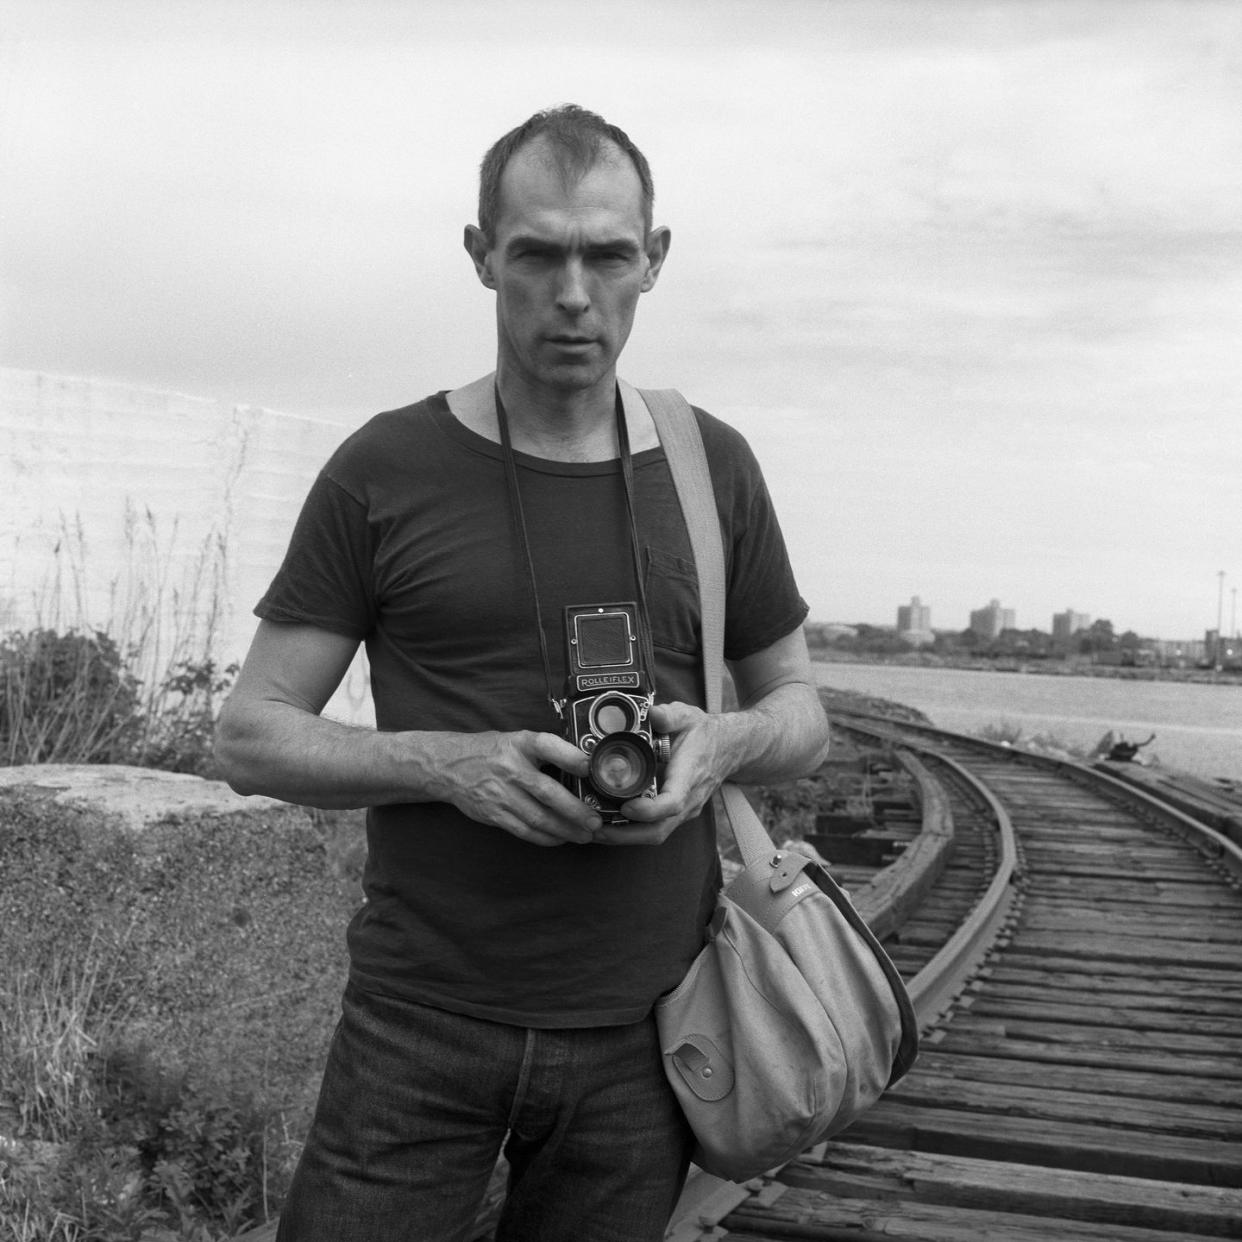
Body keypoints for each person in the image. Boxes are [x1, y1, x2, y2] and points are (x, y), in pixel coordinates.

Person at [215, 104, 831, 1242]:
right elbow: (249, 734)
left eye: (607, 255)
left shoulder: (710, 467)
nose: (574, 293)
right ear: (480, 255)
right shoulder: (385, 469)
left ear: (655, 259)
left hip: (655, 1034)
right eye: (538, 252)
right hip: (418, 1028)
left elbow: (802, 714)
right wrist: (451, 766)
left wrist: (723, 749)